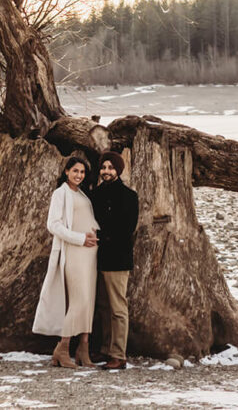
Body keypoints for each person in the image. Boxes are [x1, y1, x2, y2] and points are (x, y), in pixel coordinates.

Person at [31, 153, 99, 367]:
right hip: (74, 252)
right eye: (75, 171)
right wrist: (80, 238)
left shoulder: (81, 193)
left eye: (82, 172)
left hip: (90, 255)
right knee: (78, 301)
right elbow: (54, 225)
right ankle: (62, 348)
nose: (79, 175)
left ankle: (83, 350)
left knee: (89, 301)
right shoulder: (60, 194)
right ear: (66, 172)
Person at [88, 149, 140, 370]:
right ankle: (104, 349)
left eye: (110, 167)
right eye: (103, 167)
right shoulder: (95, 195)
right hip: (95, 258)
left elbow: (127, 229)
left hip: (118, 259)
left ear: (118, 170)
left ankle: (118, 355)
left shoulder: (129, 196)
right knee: (101, 306)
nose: (106, 171)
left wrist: (101, 236)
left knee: (118, 307)